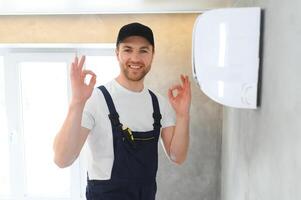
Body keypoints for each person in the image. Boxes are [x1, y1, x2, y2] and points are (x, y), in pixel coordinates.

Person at [53, 22, 191, 200]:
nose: (135, 58)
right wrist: (77, 102)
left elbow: (177, 156)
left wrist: (183, 115)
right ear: (117, 53)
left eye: (143, 50)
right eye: (127, 50)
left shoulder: (159, 104)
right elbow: (62, 159)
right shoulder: (95, 99)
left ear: (152, 55)